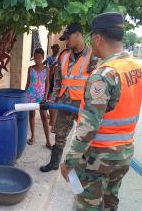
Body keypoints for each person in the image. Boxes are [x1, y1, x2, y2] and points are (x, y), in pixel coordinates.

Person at [61, 12, 142, 211]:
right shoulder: (137, 67)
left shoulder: (104, 75)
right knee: (110, 202)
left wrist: (69, 161)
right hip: (123, 155)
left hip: (98, 159)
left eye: (91, 38)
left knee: (89, 206)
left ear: (98, 38)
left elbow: (89, 127)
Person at [40, 23, 98, 172]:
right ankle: (54, 164)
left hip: (82, 105)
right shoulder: (64, 55)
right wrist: (52, 101)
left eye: (68, 38)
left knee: (84, 137)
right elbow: (57, 81)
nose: (66, 42)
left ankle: (85, 170)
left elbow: (96, 84)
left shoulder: (93, 56)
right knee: (59, 135)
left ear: (77, 35)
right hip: (64, 102)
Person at [25, 48, 51, 148]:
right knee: (31, 115)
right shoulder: (30, 68)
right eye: (35, 58)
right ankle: (32, 136)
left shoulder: (46, 69)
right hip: (30, 95)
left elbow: (47, 84)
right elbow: (28, 82)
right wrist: (24, 93)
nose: (37, 60)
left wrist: (45, 96)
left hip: (41, 97)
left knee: (44, 117)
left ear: (43, 57)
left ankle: (48, 141)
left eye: (39, 58)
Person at [44, 44, 60, 132]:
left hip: (56, 83)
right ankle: (52, 123)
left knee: (53, 105)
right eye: (54, 48)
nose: (55, 49)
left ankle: (52, 124)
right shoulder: (50, 58)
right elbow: (45, 66)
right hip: (52, 81)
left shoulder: (60, 58)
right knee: (51, 103)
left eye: (56, 48)